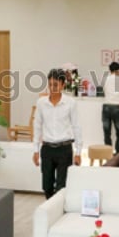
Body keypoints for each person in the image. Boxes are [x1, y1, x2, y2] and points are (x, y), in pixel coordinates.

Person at [32, 68, 83, 199]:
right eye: (50, 84)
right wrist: (35, 150)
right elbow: (37, 126)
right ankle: (51, 208)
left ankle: (59, 210)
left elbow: (77, 127)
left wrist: (78, 152)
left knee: (62, 187)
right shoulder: (41, 103)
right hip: (47, 149)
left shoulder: (70, 103)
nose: (52, 88)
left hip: (64, 149)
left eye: (55, 85)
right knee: (47, 187)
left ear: (62, 85)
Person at [102, 62, 119, 154]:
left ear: (109, 70)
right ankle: (117, 152)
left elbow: (104, 90)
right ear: (118, 69)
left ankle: (108, 153)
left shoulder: (105, 79)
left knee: (107, 132)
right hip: (117, 106)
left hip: (106, 106)